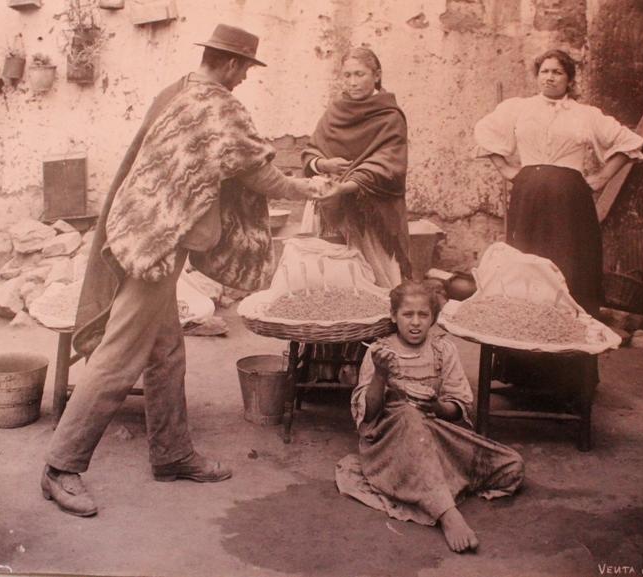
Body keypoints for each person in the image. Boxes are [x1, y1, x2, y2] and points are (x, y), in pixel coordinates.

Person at [41, 24, 334, 517]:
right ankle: (60, 466)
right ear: (231, 64)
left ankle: (172, 453)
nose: (243, 79)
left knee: (167, 352)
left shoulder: (176, 92)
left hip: (141, 229)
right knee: (118, 357)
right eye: (243, 69)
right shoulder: (217, 106)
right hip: (155, 244)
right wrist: (312, 190)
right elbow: (257, 173)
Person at [335, 281, 524, 553]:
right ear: (393, 316)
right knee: (410, 415)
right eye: (407, 315)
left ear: (433, 318)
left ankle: (431, 484)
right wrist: (380, 374)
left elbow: (459, 408)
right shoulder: (379, 352)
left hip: (434, 434)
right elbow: (369, 416)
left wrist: (437, 406)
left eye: (423, 315)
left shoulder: (443, 351)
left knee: (512, 466)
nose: (415, 323)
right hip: (390, 443)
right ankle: (447, 514)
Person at [474, 48, 643, 316]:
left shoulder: (586, 114)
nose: (550, 78)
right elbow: (484, 131)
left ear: (570, 80)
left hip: (570, 199)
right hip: (528, 194)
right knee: (526, 260)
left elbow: (629, 142)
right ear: (537, 76)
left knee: (568, 259)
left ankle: (567, 324)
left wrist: (602, 176)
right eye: (544, 72)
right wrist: (505, 168)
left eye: (557, 72)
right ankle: (526, 321)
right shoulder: (519, 108)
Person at [303, 46, 411, 289]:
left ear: (377, 75)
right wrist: (323, 163)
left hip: (374, 211)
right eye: (347, 75)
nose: (352, 82)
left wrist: (347, 187)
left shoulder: (389, 116)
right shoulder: (335, 111)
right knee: (339, 277)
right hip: (336, 211)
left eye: (359, 74)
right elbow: (311, 150)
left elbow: (388, 165)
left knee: (379, 274)